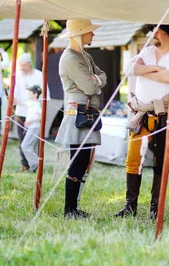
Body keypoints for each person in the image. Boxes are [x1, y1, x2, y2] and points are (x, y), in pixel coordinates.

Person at [115, 24, 169, 219]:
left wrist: (143, 71)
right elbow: (129, 68)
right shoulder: (147, 51)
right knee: (133, 160)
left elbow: (168, 77)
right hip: (142, 114)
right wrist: (154, 67)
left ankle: (155, 209)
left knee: (160, 163)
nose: (154, 35)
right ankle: (130, 206)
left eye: (159, 32)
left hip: (164, 116)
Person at [55, 19, 107, 219]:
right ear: (80, 34)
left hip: (87, 112)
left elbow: (102, 76)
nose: (93, 35)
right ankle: (69, 210)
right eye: (90, 32)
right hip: (78, 113)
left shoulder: (84, 55)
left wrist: (96, 79)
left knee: (83, 161)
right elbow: (91, 87)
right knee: (77, 162)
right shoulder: (70, 58)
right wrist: (94, 80)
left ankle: (73, 208)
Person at [14, 52, 43, 172]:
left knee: (33, 141)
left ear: (30, 64)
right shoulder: (18, 75)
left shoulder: (39, 75)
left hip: (34, 113)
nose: (22, 68)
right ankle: (25, 164)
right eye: (20, 65)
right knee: (22, 140)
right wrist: (15, 100)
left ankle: (35, 164)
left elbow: (45, 95)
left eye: (24, 65)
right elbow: (14, 92)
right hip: (21, 111)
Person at [20, 85, 43, 172]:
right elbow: (21, 103)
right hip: (31, 127)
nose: (28, 94)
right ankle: (35, 165)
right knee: (29, 146)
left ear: (35, 94)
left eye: (30, 92)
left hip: (34, 127)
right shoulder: (30, 102)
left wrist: (30, 121)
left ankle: (35, 164)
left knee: (25, 146)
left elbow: (41, 117)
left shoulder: (37, 104)